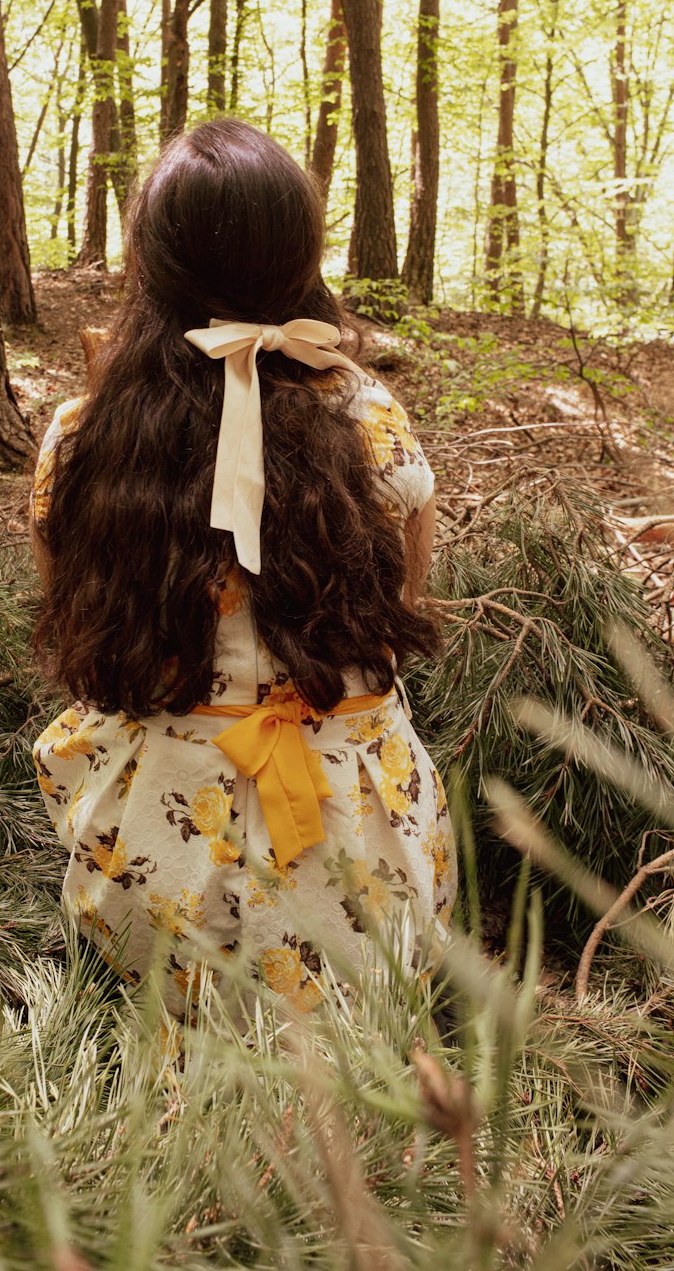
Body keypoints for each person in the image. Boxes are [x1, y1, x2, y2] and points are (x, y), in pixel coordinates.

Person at [30, 118, 456, 1018]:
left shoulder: (83, 437)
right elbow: (401, 612)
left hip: (160, 846)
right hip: (360, 846)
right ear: (300, 252)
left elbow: (77, 621)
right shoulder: (373, 421)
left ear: (152, 256)